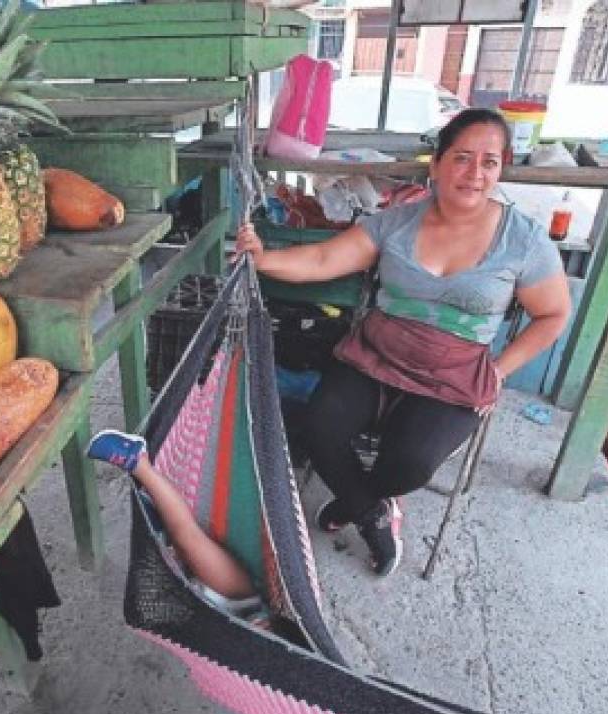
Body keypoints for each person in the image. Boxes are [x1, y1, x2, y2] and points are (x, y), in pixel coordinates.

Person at [235, 108, 572, 577]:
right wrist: (263, 258)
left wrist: (498, 370)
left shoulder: (525, 241)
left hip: (456, 371)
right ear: (435, 164)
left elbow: (553, 314)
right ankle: (371, 511)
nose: (475, 174)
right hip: (377, 353)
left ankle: (356, 500)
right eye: (462, 158)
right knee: (318, 425)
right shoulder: (397, 223)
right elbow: (323, 259)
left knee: (411, 463)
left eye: (490, 163)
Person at [87, 429, 263, 618]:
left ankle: (158, 516)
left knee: (170, 563)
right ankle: (139, 460)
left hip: (210, 622)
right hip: (249, 601)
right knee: (187, 540)